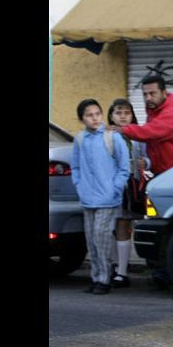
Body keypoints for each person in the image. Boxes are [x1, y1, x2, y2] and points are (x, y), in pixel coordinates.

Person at [113, 75, 173, 285]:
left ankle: (168, 272)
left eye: (152, 93)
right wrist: (148, 164)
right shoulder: (155, 112)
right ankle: (162, 271)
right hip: (163, 177)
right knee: (161, 224)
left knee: (171, 225)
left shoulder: (172, 113)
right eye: (145, 94)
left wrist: (123, 129)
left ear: (164, 92)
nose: (148, 98)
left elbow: (152, 133)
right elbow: (157, 147)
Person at [71, 99, 130, 295]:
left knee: (102, 237)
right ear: (82, 119)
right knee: (91, 240)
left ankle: (105, 279)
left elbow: (124, 167)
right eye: (89, 115)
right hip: (88, 198)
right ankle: (95, 277)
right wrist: (79, 185)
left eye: (97, 114)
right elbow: (76, 167)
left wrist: (115, 187)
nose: (94, 118)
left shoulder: (112, 138)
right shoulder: (80, 140)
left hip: (108, 198)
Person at [107, 98, 152, 287]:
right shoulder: (106, 136)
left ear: (132, 115)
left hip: (131, 187)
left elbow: (148, 158)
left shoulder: (138, 137)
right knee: (111, 229)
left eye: (127, 112)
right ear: (111, 115)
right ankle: (115, 266)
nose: (123, 116)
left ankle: (122, 273)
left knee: (124, 226)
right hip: (110, 187)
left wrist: (146, 164)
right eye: (118, 112)